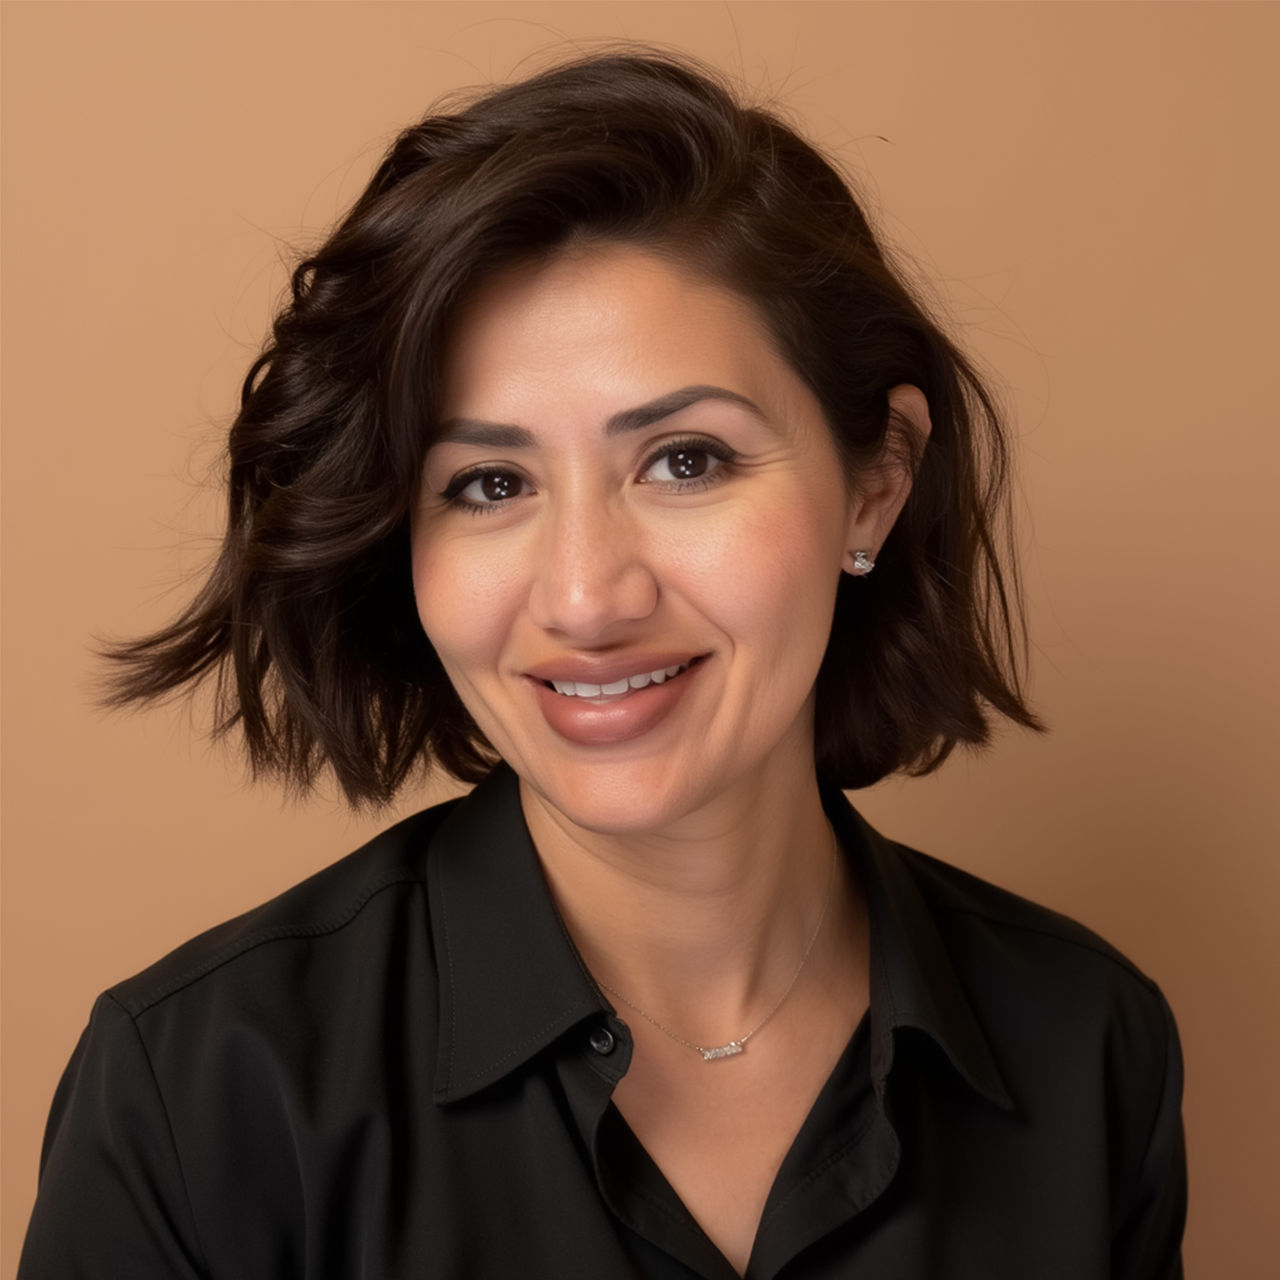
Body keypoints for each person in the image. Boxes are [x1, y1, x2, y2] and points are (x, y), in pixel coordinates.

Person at [19, 50, 1185, 1279]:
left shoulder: (1085, 1044)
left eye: (684, 460)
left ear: (876, 482)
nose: (584, 596)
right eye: (487, 483)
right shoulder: (200, 1093)